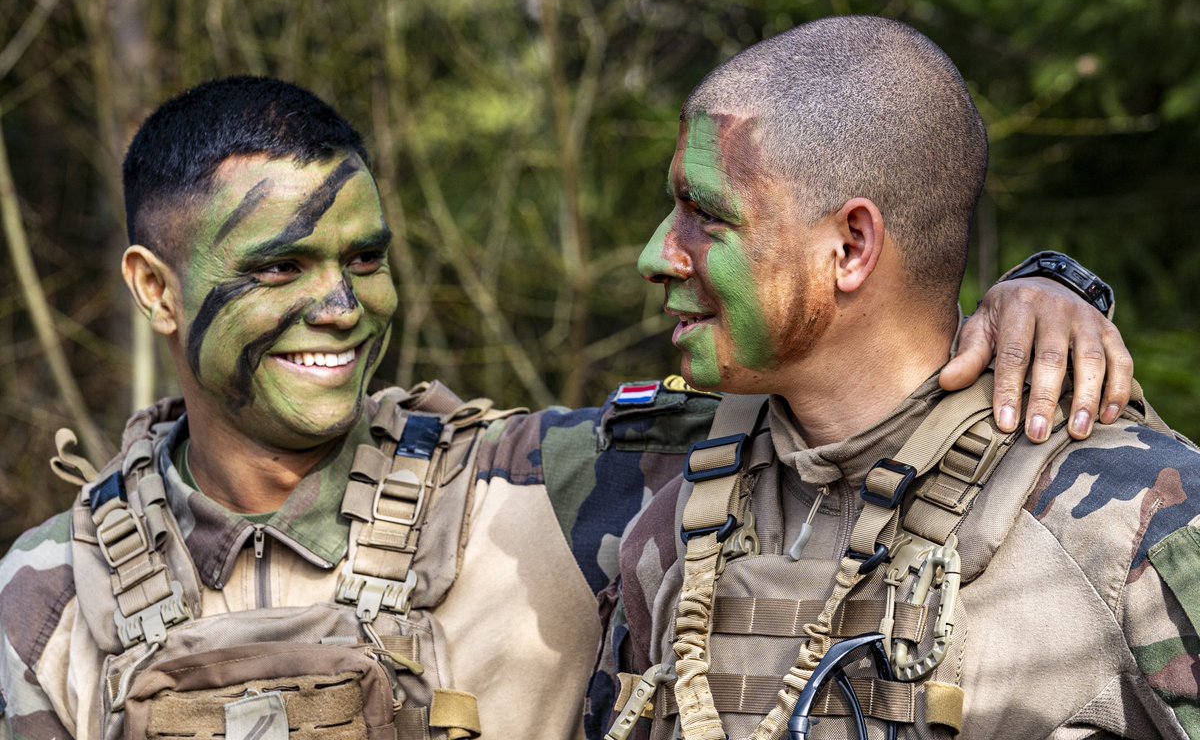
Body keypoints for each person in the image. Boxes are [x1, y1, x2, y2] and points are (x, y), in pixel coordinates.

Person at [0, 76, 1136, 740]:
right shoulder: (48, 602)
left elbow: (850, 397)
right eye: (277, 269)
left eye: (366, 258)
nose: (339, 307)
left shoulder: (550, 480)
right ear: (155, 288)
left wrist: (1045, 291)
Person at [598, 16, 1199, 740]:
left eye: (706, 215)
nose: (657, 253)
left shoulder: (1125, 523)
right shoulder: (672, 521)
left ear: (851, 246)